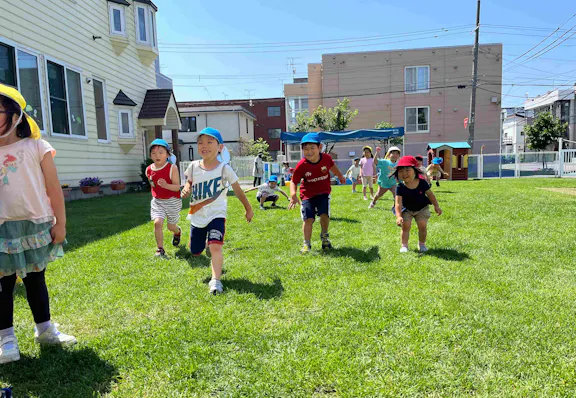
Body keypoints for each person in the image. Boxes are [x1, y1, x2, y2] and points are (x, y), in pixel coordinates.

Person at [0, 83, 76, 364]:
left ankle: (45, 329)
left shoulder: (37, 146)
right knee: (3, 284)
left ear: (15, 114)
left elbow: (54, 188)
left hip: (35, 225)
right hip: (1, 229)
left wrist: (61, 223)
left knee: (35, 279)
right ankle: (6, 339)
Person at [181, 128, 254, 294]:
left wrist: (248, 208)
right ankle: (203, 243)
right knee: (195, 251)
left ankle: (216, 282)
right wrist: (186, 188)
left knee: (216, 247)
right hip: (197, 216)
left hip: (216, 215)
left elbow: (238, 190)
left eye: (209, 142)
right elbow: (189, 182)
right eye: (200, 143)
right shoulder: (192, 166)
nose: (204, 146)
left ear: (220, 147)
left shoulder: (224, 169)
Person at [288, 133, 346, 253]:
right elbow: (294, 181)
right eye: (306, 149)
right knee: (308, 219)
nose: (309, 151)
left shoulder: (326, 158)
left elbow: (333, 167)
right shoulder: (301, 165)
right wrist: (293, 194)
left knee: (324, 215)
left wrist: (340, 175)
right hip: (307, 195)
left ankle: (325, 237)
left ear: (319, 147)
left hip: (323, 192)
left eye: (312, 148)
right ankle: (306, 244)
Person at [392, 156, 442, 253]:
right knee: (405, 226)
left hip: (421, 208)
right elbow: (398, 203)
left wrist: (436, 206)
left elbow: (431, 195)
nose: (404, 173)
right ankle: (404, 246)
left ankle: (422, 244)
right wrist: (398, 216)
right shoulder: (400, 187)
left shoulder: (422, 183)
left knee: (422, 226)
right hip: (406, 209)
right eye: (401, 171)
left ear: (415, 170)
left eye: (407, 170)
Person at [145, 139, 182, 257]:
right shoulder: (149, 169)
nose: (157, 155)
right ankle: (160, 249)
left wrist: (166, 185)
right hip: (157, 201)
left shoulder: (172, 168)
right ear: (150, 155)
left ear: (167, 154)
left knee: (171, 227)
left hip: (172, 200)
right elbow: (152, 185)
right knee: (157, 223)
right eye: (154, 153)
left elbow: (177, 187)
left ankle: (177, 232)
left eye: (161, 152)